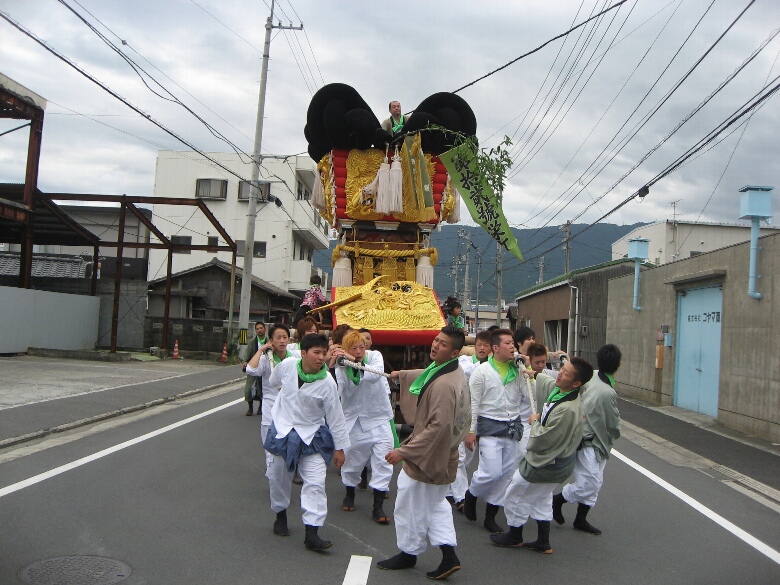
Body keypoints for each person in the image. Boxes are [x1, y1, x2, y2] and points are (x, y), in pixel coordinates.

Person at [377, 326, 470, 580]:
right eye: (436, 340)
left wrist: (404, 451)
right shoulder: (451, 370)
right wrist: (403, 374)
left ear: (455, 352)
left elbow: (439, 428)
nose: (436, 345)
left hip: (429, 457)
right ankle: (449, 555)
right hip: (444, 454)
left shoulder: (444, 386)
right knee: (436, 505)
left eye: (443, 344)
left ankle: (409, 552)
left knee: (410, 504)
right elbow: (426, 375)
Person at [491, 357, 593, 554]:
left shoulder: (567, 409)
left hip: (546, 463)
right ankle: (543, 541)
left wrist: (534, 422)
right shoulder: (564, 392)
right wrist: (534, 374)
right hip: (559, 464)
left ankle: (515, 535)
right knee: (542, 497)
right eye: (562, 369)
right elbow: (548, 382)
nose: (560, 374)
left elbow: (545, 438)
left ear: (576, 383)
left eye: (566, 373)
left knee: (516, 492)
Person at [264, 333, 349, 550]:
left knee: (316, 482)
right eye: (316, 352)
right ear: (303, 353)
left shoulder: (327, 382)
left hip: (312, 435)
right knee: (278, 477)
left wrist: (340, 449)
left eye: (324, 353)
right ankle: (280, 514)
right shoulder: (287, 366)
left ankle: (312, 532)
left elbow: (336, 417)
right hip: (282, 430)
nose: (321, 357)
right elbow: (274, 382)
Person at [462, 329, 529, 534]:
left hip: (512, 427)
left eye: (513, 343)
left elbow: (529, 396)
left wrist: (527, 372)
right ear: (496, 348)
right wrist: (470, 431)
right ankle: (472, 494)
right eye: (508, 343)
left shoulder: (517, 369)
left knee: (507, 474)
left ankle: (490, 516)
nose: (513, 347)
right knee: (491, 472)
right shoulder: (481, 371)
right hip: (489, 426)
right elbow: (473, 403)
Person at [553, 344, 621, 535]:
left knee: (595, 481)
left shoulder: (592, 376)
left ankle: (580, 519)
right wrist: (614, 434)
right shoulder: (607, 391)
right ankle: (558, 500)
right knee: (589, 482)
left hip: (589, 438)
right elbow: (613, 421)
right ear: (618, 364)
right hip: (589, 441)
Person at [330, 330, 394, 524]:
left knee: (383, 461)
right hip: (355, 420)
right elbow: (338, 389)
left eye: (361, 347)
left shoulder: (375, 356)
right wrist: (333, 365)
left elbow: (374, 375)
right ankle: (349, 492)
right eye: (353, 348)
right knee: (352, 460)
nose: (359, 351)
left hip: (379, 418)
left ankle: (378, 506)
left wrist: (352, 360)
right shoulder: (342, 364)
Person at [245, 324, 300, 479]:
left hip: (290, 405)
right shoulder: (265, 359)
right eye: (278, 338)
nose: (282, 341)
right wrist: (261, 350)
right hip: (271, 404)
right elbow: (250, 369)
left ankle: (291, 468)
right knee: (270, 440)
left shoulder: (295, 356)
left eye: (285, 337)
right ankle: (272, 473)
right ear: (271, 340)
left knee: (290, 438)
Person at [447, 329, 493, 511]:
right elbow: (470, 372)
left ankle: (450, 487)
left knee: (467, 457)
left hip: (482, 417)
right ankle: (462, 497)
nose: (481, 348)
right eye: (479, 345)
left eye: (486, 345)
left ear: (492, 348)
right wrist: (489, 362)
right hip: (462, 414)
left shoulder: (496, 367)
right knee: (459, 456)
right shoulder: (465, 361)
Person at [243, 322, 268, 415]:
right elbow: (247, 353)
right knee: (248, 388)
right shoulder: (252, 342)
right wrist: (245, 362)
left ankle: (261, 407)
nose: (259, 330)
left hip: (265, 368)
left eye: (261, 328)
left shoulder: (269, 342)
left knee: (262, 388)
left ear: (265, 329)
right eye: (257, 329)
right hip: (253, 367)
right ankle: (250, 407)